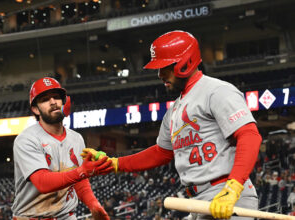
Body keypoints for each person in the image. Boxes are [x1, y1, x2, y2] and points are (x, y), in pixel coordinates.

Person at [82, 31, 262, 219]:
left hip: (226, 194)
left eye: (165, 67)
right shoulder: (174, 109)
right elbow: (161, 152)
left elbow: (249, 135)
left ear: (184, 63)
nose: (160, 74)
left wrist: (233, 187)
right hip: (197, 200)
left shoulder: (217, 91)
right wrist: (115, 163)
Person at [12, 77, 113, 219]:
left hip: (66, 216)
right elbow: (43, 183)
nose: (53, 102)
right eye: (45, 99)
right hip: (31, 217)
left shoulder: (76, 138)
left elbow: (80, 181)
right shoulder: (26, 139)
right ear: (36, 109)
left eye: (56, 97)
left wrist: (93, 204)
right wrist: (82, 171)